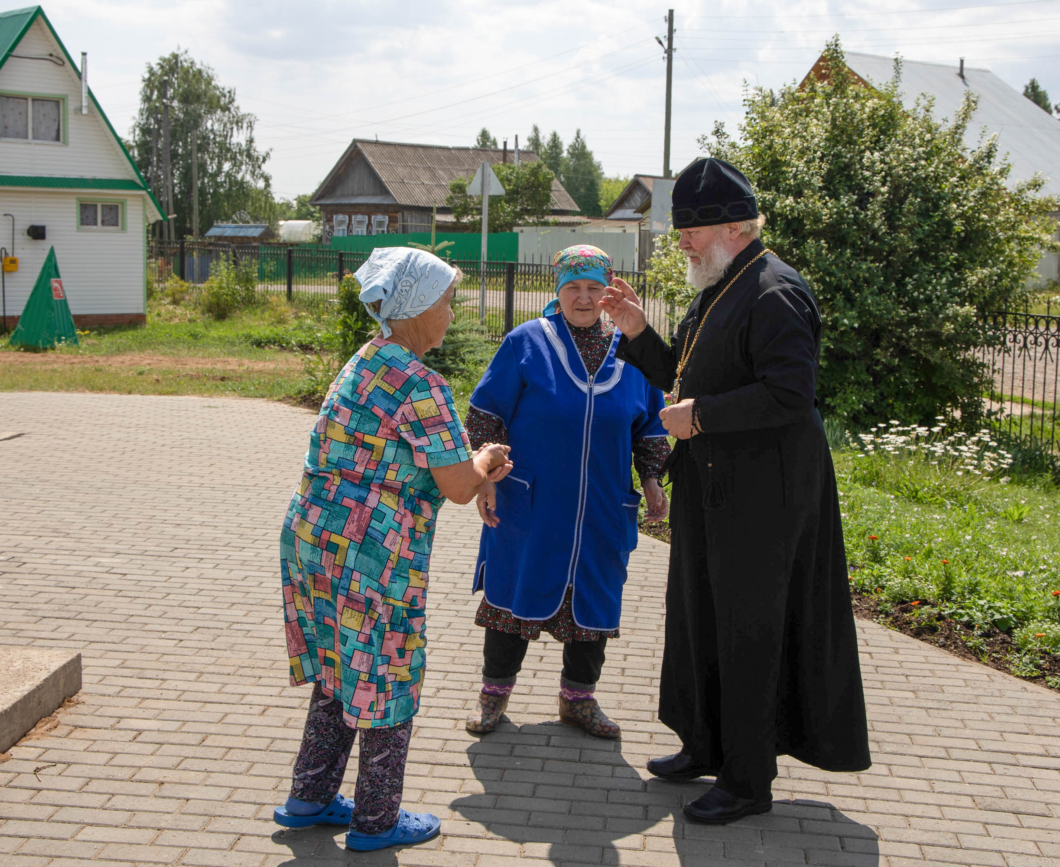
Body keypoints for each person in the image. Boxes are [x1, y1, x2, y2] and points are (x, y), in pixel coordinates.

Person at [599, 158, 870, 824]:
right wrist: (637, 332)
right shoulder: (723, 284)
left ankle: (748, 779)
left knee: (749, 628)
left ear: (730, 226)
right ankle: (706, 743)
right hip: (716, 487)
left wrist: (703, 418)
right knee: (700, 616)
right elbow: (688, 377)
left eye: (689, 230)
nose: (680, 242)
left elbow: (790, 394)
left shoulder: (776, 290)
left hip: (765, 497)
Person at [276, 248, 513, 851]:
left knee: (338, 668)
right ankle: (376, 822)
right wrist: (485, 463)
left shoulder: (365, 361)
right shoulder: (421, 383)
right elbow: (458, 486)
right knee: (387, 674)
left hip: (315, 541)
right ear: (415, 308)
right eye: (448, 302)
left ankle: (310, 795)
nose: (452, 315)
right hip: (372, 555)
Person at [462, 245, 671, 739]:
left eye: (593, 288)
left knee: (594, 603)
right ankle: (493, 698)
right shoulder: (526, 342)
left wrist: (652, 479)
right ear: (557, 291)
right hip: (529, 502)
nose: (583, 298)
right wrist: (485, 481)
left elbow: (649, 426)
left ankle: (578, 700)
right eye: (573, 288)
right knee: (512, 599)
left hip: (603, 505)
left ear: (609, 290)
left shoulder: (632, 349)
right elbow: (486, 414)